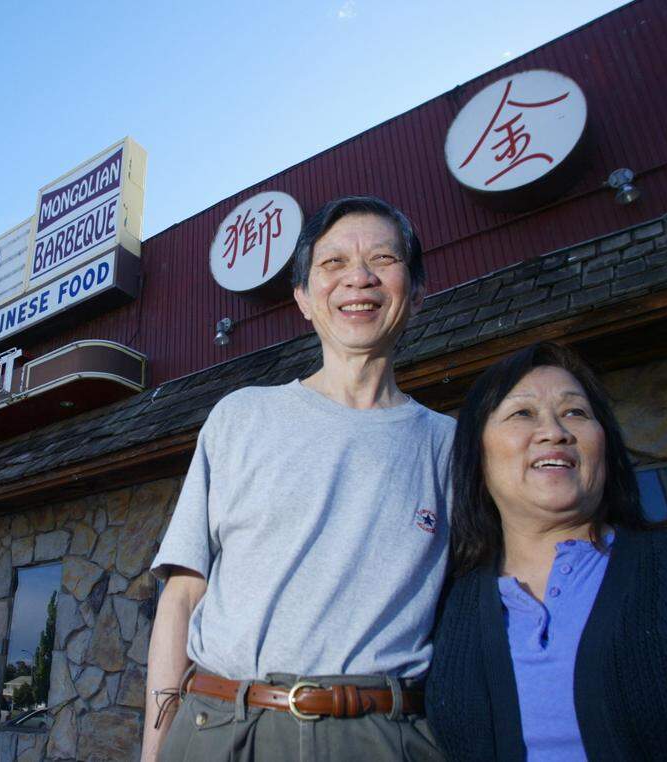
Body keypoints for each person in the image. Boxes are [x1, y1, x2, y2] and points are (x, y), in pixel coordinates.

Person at [140, 196, 455, 761]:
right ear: (304, 299)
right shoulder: (240, 417)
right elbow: (182, 595)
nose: (358, 277)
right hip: (219, 728)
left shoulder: (450, 446)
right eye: (333, 263)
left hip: (381, 738)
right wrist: (155, 750)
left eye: (383, 259)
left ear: (417, 292)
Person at [425, 342, 667, 761]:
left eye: (575, 412)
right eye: (522, 413)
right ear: (476, 455)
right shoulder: (444, 611)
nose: (555, 432)